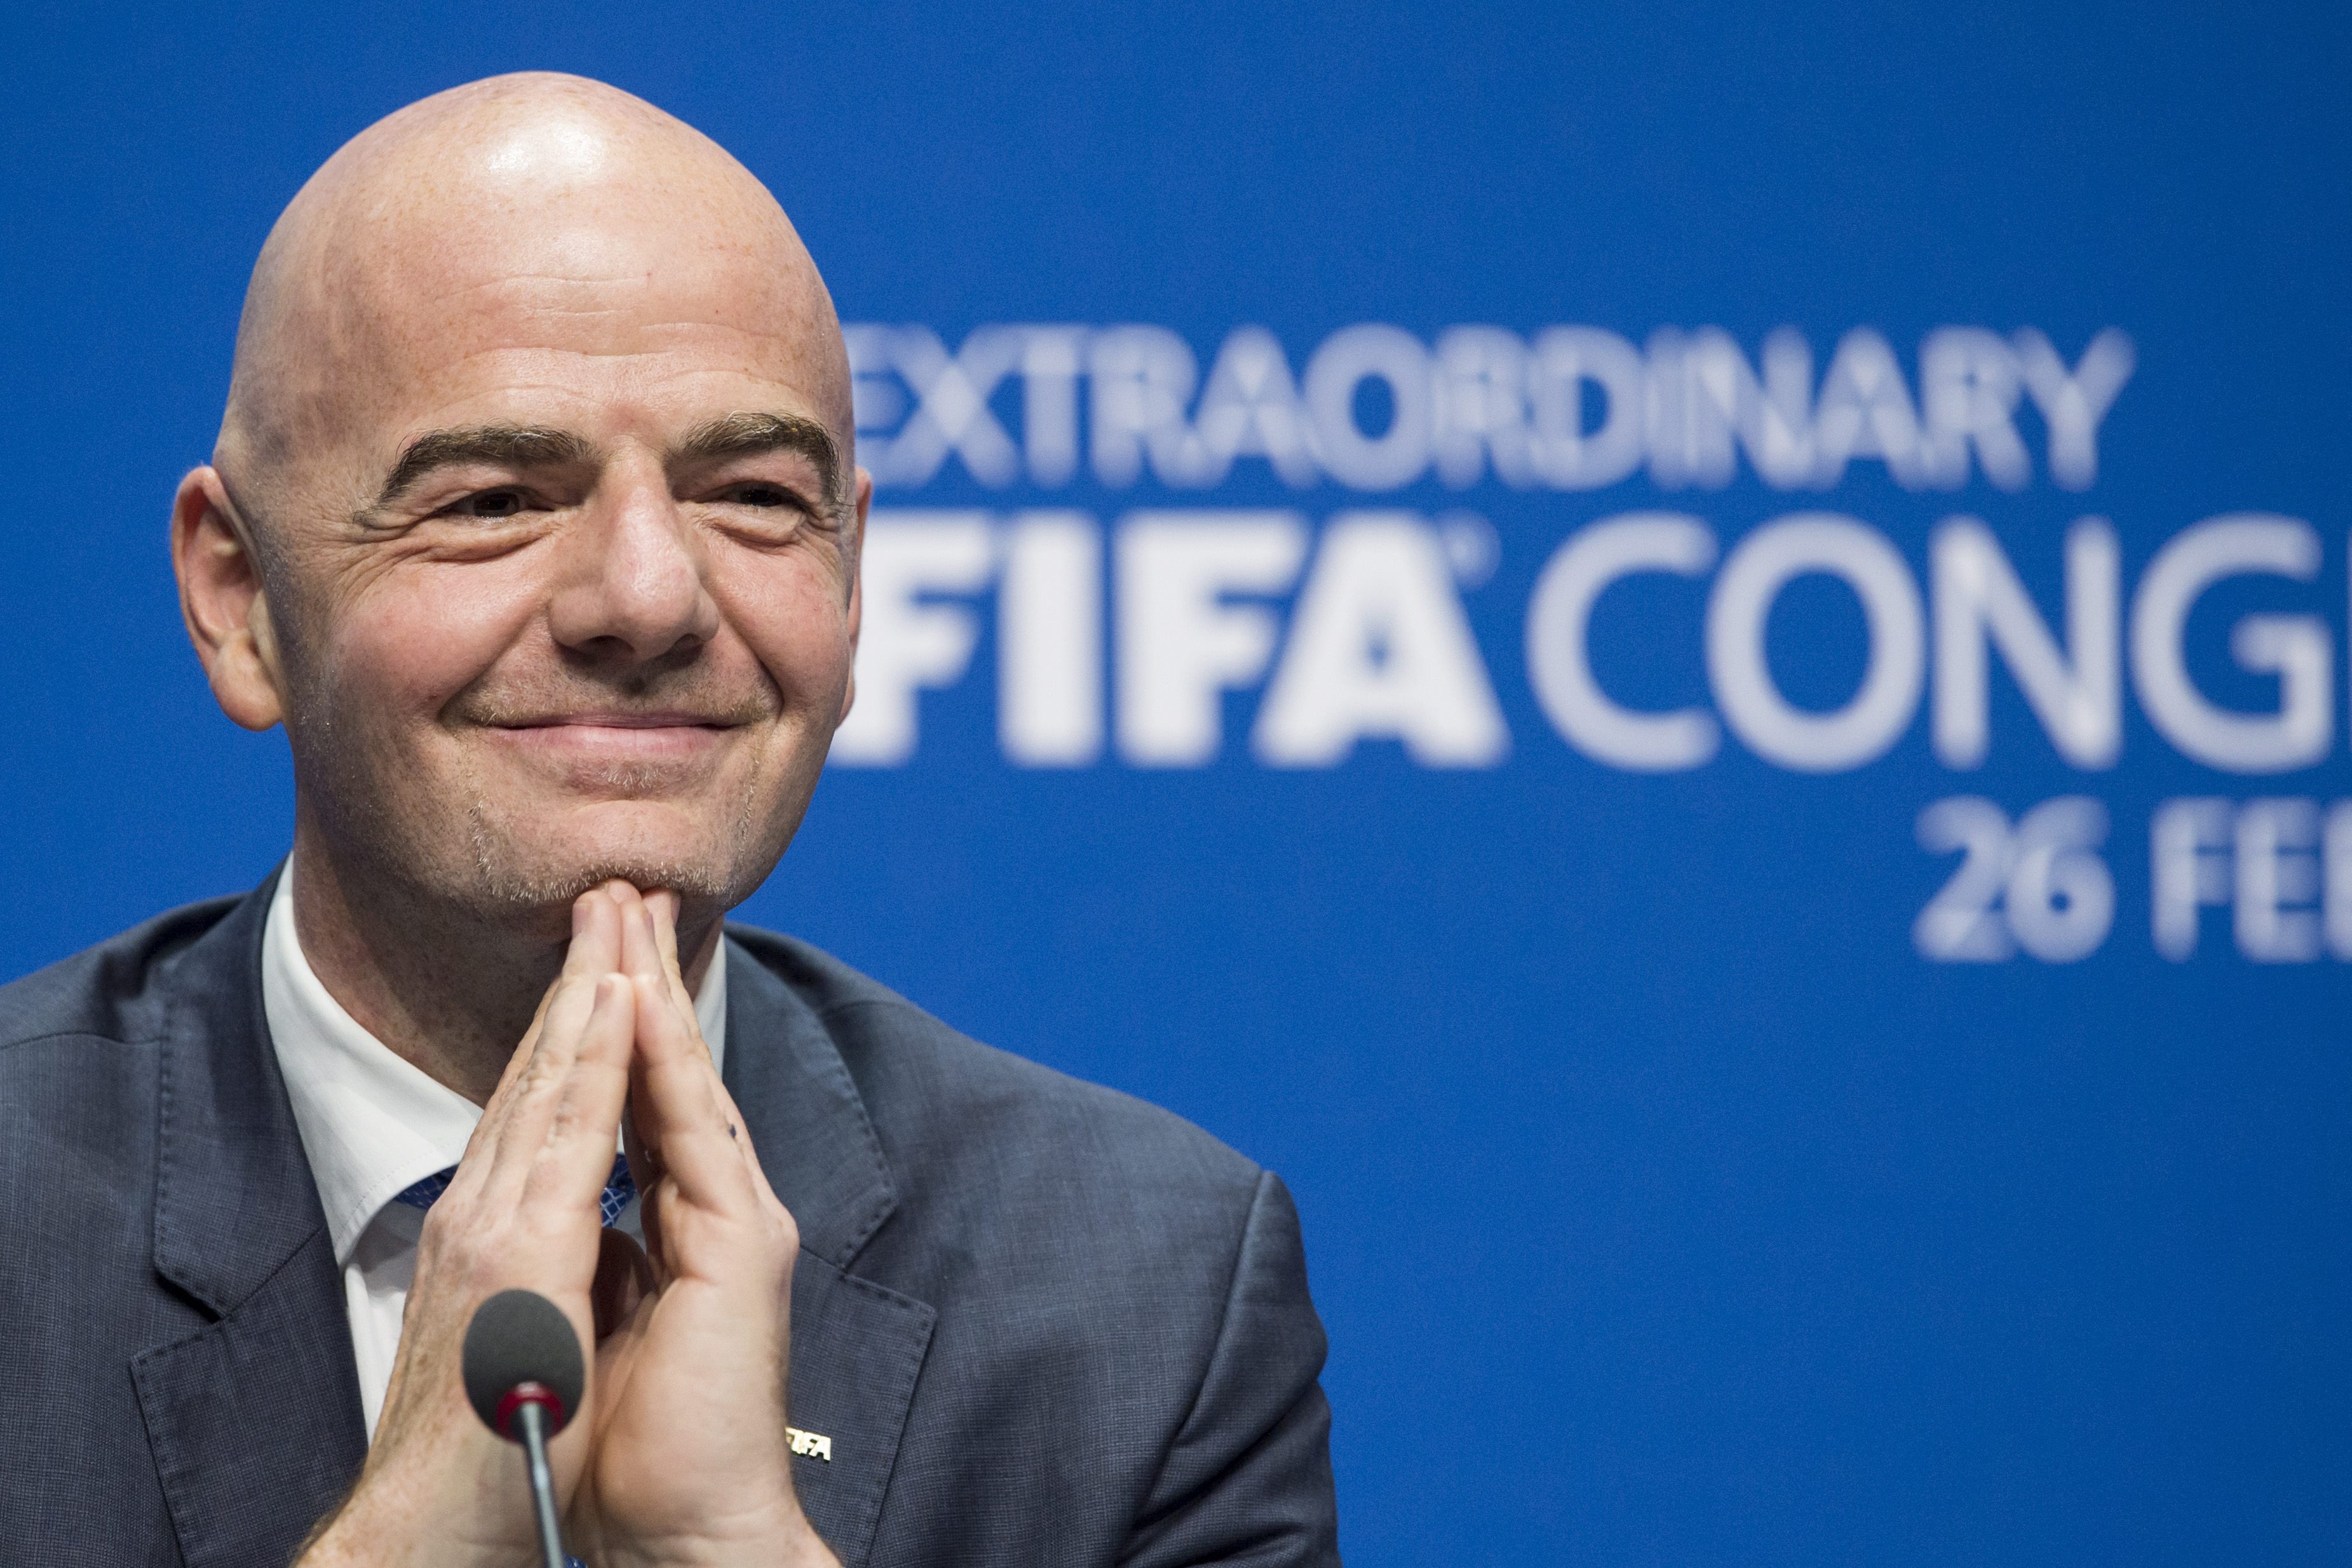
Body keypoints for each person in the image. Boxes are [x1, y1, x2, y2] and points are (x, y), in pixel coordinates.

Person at [0, 72, 1337, 1567]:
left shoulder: (1148, 1303)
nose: (647, 594)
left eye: (753, 493)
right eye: (497, 495)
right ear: (239, 599)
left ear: (849, 577)